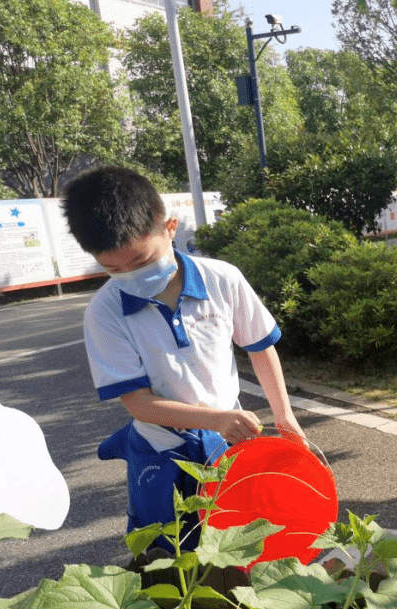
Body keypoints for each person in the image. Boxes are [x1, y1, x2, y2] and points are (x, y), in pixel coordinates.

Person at [62, 166, 306, 548]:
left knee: (242, 546)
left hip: (228, 446)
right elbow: (140, 404)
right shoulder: (104, 312)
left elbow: (260, 346)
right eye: (112, 269)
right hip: (161, 451)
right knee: (170, 554)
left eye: (141, 262)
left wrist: (284, 414)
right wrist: (217, 419)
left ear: (170, 227)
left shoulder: (221, 279)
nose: (129, 275)